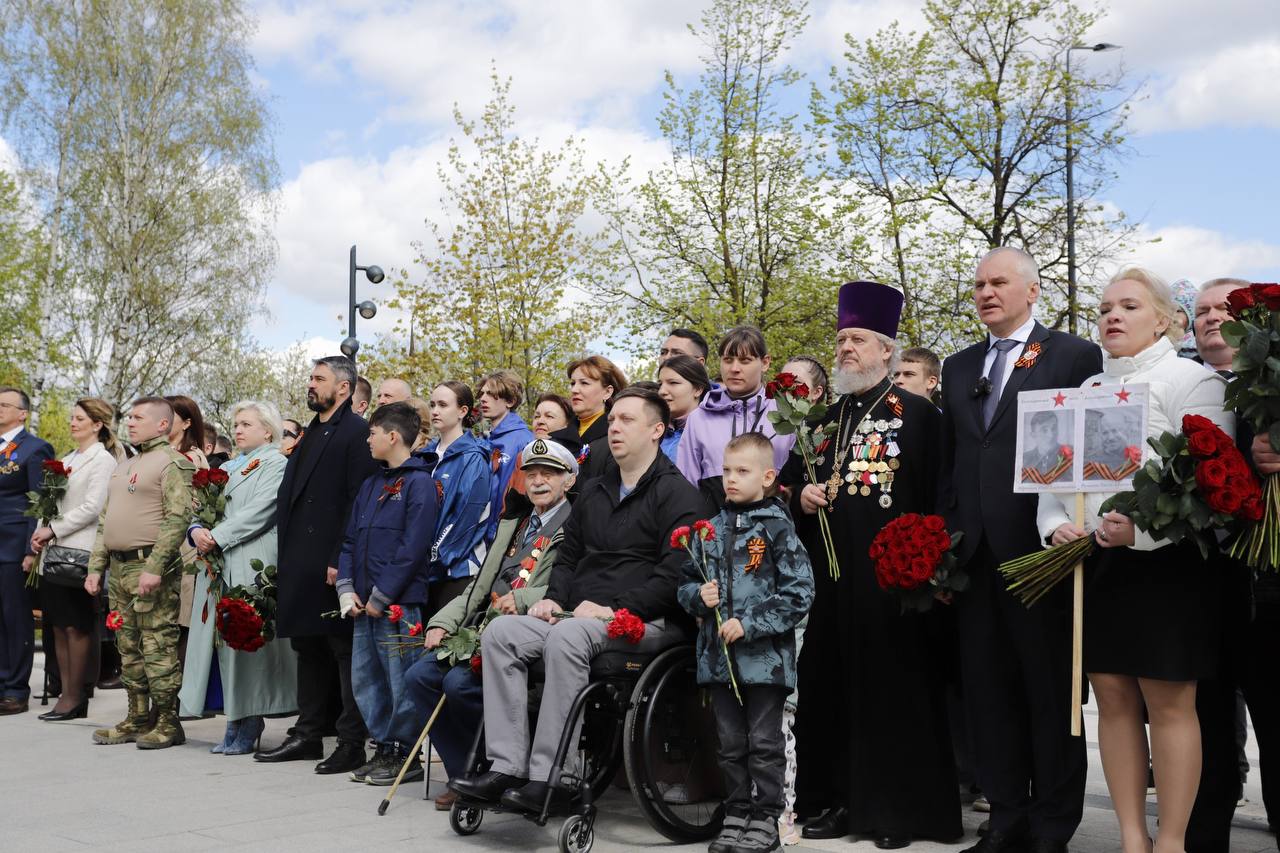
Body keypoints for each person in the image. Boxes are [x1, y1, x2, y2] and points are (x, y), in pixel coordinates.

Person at [1039, 267, 1232, 853]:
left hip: (1168, 569)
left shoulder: (1193, 381)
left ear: (1166, 319)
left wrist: (1142, 532)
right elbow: (1054, 475)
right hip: (1100, 563)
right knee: (1114, 700)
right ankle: (1131, 838)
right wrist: (1054, 528)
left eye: (1128, 306)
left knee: (1169, 703)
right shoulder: (1089, 389)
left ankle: (1171, 841)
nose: (1112, 317)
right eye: (1103, 308)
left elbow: (1206, 485)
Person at [449, 387, 707, 810]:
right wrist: (552, 599)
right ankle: (506, 766)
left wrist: (615, 606)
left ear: (657, 430)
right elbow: (568, 560)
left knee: (568, 638)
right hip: (576, 615)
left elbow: (674, 576)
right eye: (613, 419)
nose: (615, 427)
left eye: (627, 420)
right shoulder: (594, 491)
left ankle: (556, 776)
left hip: (645, 621)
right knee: (502, 633)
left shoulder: (679, 495)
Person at [938, 246, 1102, 853]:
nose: (985, 292)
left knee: (1048, 691)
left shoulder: (1071, 354)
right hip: (974, 558)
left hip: (1041, 552)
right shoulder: (959, 367)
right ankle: (1005, 816)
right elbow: (956, 459)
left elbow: (1092, 444)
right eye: (978, 283)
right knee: (988, 694)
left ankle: (1053, 824)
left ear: (1032, 291)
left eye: (998, 282)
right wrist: (943, 538)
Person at [786, 282, 961, 848]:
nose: (845, 349)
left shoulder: (919, 416)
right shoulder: (821, 420)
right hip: (833, 587)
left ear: (887, 349)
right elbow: (791, 485)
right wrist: (801, 498)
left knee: (893, 697)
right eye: (840, 340)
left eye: (857, 340)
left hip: (895, 587)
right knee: (830, 693)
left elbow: (941, 498)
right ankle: (836, 801)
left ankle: (895, 811)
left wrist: (937, 574)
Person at [400, 437, 576, 803]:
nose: (539, 481)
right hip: (481, 627)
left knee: (459, 685)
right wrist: (442, 622)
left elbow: (566, 588)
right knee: (419, 677)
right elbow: (479, 588)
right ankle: (465, 771)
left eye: (549, 474)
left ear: (569, 480)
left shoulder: (574, 526)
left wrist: (523, 599)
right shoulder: (515, 523)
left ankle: (498, 769)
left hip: (527, 629)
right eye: (532, 474)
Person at [679, 432, 814, 853]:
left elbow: (800, 592)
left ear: (768, 476)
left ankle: (768, 816)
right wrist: (697, 598)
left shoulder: (777, 527)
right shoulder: (709, 530)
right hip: (720, 662)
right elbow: (685, 583)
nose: (731, 480)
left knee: (765, 743)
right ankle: (737, 811)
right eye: (726, 471)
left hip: (765, 662)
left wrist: (749, 623)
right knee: (731, 744)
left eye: (743, 471)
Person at [257, 356, 378, 774]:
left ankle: (350, 742)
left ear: (343, 388)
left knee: (343, 652)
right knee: (307, 646)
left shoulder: (357, 434)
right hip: (299, 561)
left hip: (330, 563)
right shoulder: (312, 431)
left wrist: (337, 560)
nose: (311, 385)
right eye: (310, 377)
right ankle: (308, 734)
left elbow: (356, 503)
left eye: (319, 379)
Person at [180, 401, 297, 754]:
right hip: (218, 561)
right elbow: (199, 507)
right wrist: (196, 529)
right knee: (222, 641)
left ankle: (251, 715)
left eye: (246, 423)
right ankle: (233, 715)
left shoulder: (276, 463)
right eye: (236, 423)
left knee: (245, 636)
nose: (238, 429)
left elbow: (261, 511)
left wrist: (217, 535)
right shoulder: (227, 465)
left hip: (251, 556)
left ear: (268, 430)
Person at [1186, 276, 1257, 853]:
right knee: (1207, 712)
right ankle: (1205, 832)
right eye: (1202, 310)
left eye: (1225, 309)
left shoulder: (1268, 384)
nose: (1212, 317)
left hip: (1267, 577)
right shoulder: (1189, 386)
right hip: (1201, 578)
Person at [335, 402, 438, 784]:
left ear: (392, 436)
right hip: (364, 606)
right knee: (367, 678)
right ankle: (384, 746)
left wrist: (382, 596)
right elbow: (349, 541)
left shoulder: (420, 483)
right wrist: (347, 589)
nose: (368, 439)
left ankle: (406, 754)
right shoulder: (370, 484)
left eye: (372, 433)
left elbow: (412, 548)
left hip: (396, 605)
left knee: (401, 680)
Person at [85, 397, 195, 747]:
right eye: (129, 417)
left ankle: (167, 722)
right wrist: (95, 568)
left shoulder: (172, 463)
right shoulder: (125, 464)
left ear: (163, 425)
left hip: (149, 568)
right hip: (118, 570)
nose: (130, 422)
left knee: (157, 645)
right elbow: (106, 521)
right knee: (128, 646)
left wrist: (155, 566)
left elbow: (178, 518)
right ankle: (136, 717)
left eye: (138, 417)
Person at [28, 398, 119, 721]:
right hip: (54, 552)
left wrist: (52, 529)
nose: (73, 422)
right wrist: (40, 536)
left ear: (97, 424)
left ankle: (75, 696)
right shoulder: (67, 458)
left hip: (80, 551)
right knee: (58, 626)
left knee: (78, 625)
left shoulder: (102, 460)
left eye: (80, 418)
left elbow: (93, 506)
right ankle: (66, 694)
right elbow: (51, 504)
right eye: (72, 417)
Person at [678, 326, 794, 506]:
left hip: (774, 528)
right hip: (715, 528)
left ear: (765, 362)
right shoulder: (699, 418)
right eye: (727, 360)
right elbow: (686, 487)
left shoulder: (788, 416)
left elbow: (797, 483)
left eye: (745, 360)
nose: (734, 368)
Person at [0, 387, 54, 715]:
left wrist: (30, 550)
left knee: (15, 619)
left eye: (5, 405)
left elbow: (40, 502)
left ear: (23, 413)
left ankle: (14, 689)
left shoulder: (35, 448)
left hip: (13, 544)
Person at [420, 381, 493, 613]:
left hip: (457, 570)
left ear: (462, 411)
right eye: (432, 405)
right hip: (423, 571)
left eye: (443, 405)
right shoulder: (425, 455)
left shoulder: (473, 458)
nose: (435, 411)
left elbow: (465, 517)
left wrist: (435, 556)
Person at [167, 394, 209, 656]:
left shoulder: (192, 458)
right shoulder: (159, 454)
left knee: (180, 626)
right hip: (159, 548)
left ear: (186, 423)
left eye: (169, 415)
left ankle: (179, 696)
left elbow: (193, 508)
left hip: (182, 551)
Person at [476, 370, 534, 541]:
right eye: (482, 393)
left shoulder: (524, 439)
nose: (483, 399)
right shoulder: (485, 438)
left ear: (510, 401)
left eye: (491, 394)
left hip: (502, 536)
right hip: (479, 534)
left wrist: (500, 535)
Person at [657, 354, 712, 464]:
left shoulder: (713, 434)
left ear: (698, 389)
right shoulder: (653, 432)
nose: (662, 391)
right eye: (660, 384)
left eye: (673, 383)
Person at [1022, 411, 1064, 476]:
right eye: (1044, 430)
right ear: (1033, 435)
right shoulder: (1024, 459)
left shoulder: (1069, 456)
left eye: (1054, 428)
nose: (1051, 435)